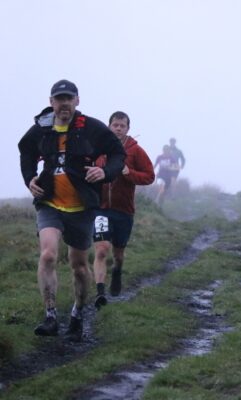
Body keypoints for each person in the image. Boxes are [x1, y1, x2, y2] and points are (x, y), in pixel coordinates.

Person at [18, 79, 125, 341]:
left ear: (77, 101)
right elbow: (26, 150)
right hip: (49, 203)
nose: (64, 103)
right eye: (59, 99)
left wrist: (105, 171)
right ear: (51, 102)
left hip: (82, 208)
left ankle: (77, 314)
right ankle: (50, 316)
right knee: (48, 255)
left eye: (69, 98)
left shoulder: (90, 127)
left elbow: (117, 153)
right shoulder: (42, 128)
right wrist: (30, 178)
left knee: (78, 266)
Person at [92, 111, 155, 308]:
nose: (118, 128)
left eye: (122, 125)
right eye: (115, 125)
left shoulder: (136, 151)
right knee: (101, 249)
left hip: (124, 211)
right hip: (100, 209)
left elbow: (149, 176)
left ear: (128, 128)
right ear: (109, 126)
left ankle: (117, 271)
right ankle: (100, 291)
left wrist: (129, 173)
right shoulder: (99, 148)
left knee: (118, 254)